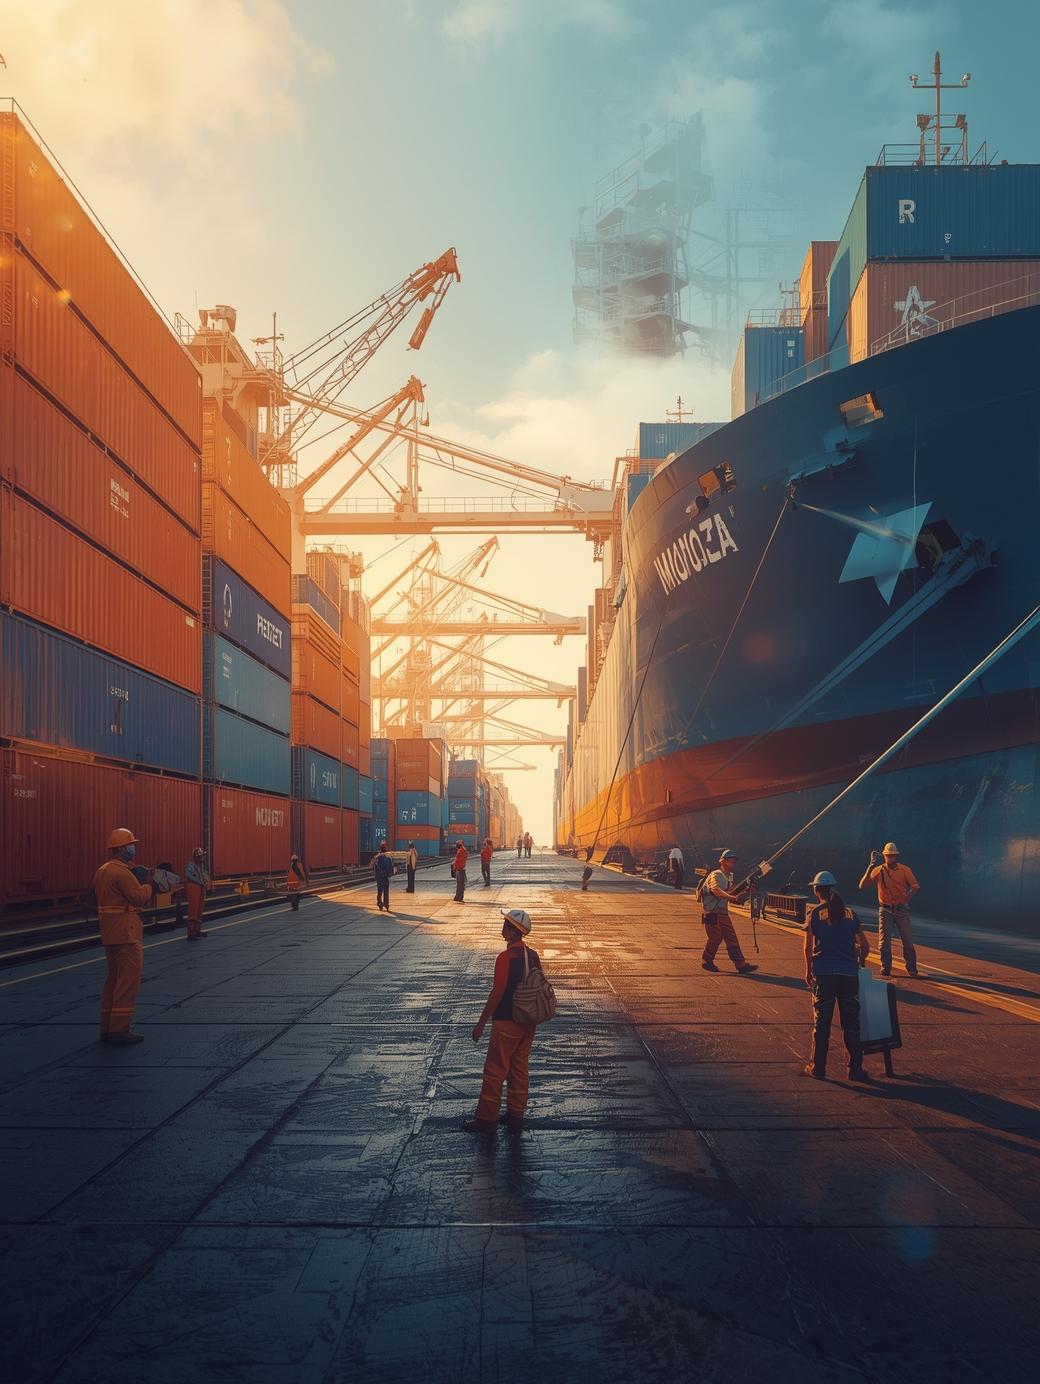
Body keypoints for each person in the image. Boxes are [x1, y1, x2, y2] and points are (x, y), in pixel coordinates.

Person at [463, 907, 540, 1132]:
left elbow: (497, 993)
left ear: (512, 931)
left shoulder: (505, 958)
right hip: (528, 1023)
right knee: (519, 1068)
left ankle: (486, 1120)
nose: (502, 928)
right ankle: (516, 1114)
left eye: (505, 925)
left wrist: (480, 1024)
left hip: (506, 1022)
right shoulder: (533, 955)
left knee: (495, 1070)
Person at [803, 870, 871, 1081]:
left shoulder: (814, 914)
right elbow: (865, 945)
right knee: (851, 1023)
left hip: (824, 974)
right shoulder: (850, 913)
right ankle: (854, 1069)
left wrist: (808, 970)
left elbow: (808, 947)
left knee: (822, 1022)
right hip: (849, 975)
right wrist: (858, 962)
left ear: (816, 890)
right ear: (832, 888)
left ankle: (818, 1068)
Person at [94, 828, 153, 1045]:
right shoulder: (121, 872)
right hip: (126, 933)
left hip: (109, 932)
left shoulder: (102, 870)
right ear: (120, 848)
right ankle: (119, 1030)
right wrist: (148, 883)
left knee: (112, 980)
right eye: (131, 844)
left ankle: (106, 1027)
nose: (133, 848)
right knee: (128, 982)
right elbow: (138, 898)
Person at [858, 841, 920, 977]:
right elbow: (862, 885)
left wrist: (904, 900)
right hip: (885, 909)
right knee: (884, 941)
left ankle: (912, 968)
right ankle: (886, 967)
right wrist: (870, 866)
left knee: (907, 940)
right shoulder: (879, 870)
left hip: (900, 909)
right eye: (888, 855)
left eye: (893, 855)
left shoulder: (904, 870)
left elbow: (915, 886)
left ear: (896, 856)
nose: (890, 858)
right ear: (884, 856)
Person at [700, 849, 758, 974]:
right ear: (723, 861)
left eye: (734, 861)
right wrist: (732, 897)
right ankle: (707, 960)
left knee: (731, 938)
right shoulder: (716, 874)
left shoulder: (727, 877)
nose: (733, 863)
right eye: (730, 860)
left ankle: (740, 964)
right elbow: (716, 890)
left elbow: (733, 892)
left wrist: (747, 891)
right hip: (711, 912)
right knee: (715, 938)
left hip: (722, 912)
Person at [184, 847, 209, 940]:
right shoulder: (191, 865)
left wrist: (205, 882)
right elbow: (188, 875)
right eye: (201, 856)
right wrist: (199, 882)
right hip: (193, 887)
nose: (202, 859)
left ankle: (197, 930)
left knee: (199, 909)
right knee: (193, 910)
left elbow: (203, 875)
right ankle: (191, 932)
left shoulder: (200, 866)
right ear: (197, 857)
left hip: (200, 887)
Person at [374, 842, 393, 911]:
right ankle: (383, 903)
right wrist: (389, 873)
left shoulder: (380, 856)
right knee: (383, 890)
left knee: (381, 890)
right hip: (383, 876)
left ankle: (382, 903)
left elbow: (390, 865)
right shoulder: (381, 856)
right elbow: (390, 865)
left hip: (382, 876)